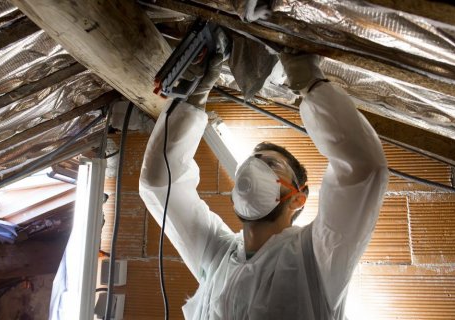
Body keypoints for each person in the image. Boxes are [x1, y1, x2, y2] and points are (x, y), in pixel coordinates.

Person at [139, 50, 389, 319]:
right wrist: (194, 99)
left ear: (298, 198)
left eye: (271, 165)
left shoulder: (314, 257)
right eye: (252, 162)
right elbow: (160, 184)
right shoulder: (218, 254)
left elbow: (363, 168)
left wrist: (311, 83)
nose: (254, 168)